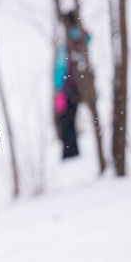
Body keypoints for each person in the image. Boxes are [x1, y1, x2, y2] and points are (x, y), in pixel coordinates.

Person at [53, 10, 90, 159]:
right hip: (73, 88)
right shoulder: (81, 39)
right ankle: (71, 151)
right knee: (68, 121)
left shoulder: (73, 41)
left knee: (66, 122)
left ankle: (70, 153)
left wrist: (58, 87)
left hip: (67, 88)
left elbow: (61, 66)